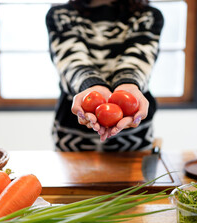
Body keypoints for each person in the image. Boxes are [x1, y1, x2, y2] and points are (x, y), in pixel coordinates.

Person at [46, 0, 164, 152]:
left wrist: (128, 85)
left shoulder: (148, 16)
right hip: (73, 135)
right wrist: (92, 87)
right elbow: (72, 61)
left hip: (134, 138)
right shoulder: (60, 15)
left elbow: (137, 61)